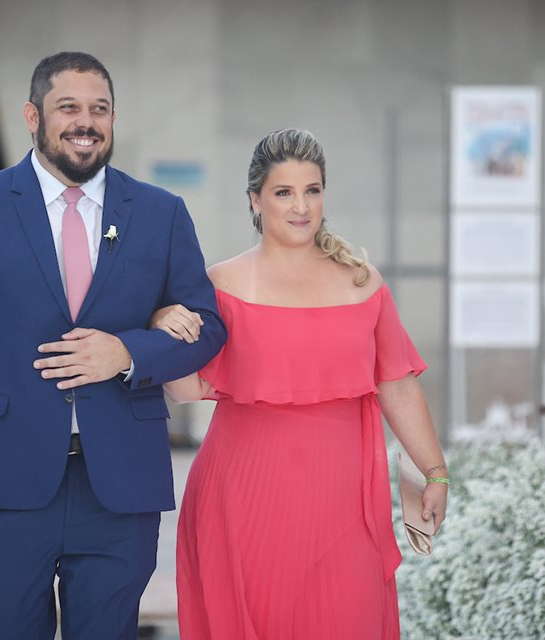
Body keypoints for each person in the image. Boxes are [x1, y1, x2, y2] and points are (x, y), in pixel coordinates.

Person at [0, 51, 226, 639]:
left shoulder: (160, 212)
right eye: (68, 106)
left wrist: (128, 353)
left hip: (121, 484)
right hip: (2, 477)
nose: (86, 121)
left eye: (99, 108)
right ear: (32, 115)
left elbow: (209, 325)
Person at [151, 128, 448, 638]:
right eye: (284, 192)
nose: (300, 206)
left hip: (345, 501)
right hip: (242, 497)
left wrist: (436, 472)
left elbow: (396, 384)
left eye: (312, 190)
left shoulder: (362, 282)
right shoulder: (219, 284)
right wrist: (163, 326)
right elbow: (184, 389)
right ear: (255, 199)